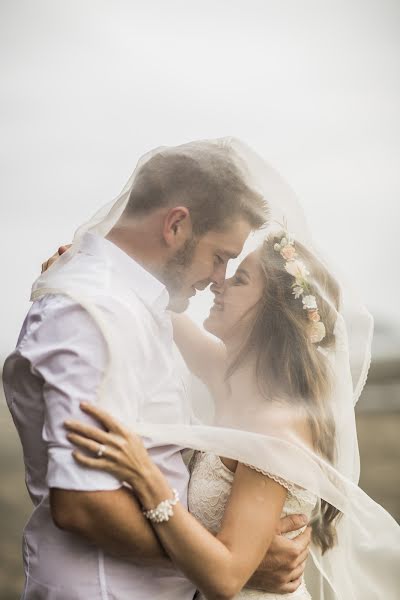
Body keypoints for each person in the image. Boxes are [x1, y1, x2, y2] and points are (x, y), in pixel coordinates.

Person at [42, 139, 400, 599]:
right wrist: (85, 267)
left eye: (240, 277)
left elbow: (228, 577)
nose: (219, 282)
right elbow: (154, 306)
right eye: (224, 265)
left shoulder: (276, 424)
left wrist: (149, 482)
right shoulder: (229, 376)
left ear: (271, 314)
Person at [2, 140, 311, 600]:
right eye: (221, 256)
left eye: (235, 269)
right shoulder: (91, 313)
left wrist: (229, 560)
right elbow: (82, 503)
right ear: (176, 225)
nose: (220, 279)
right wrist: (232, 563)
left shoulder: (139, 309)